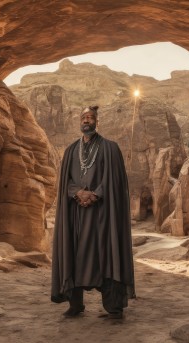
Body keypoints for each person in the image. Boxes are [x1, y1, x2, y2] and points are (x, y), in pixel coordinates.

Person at [51, 105, 135, 320]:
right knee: (74, 254)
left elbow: (114, 180)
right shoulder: (71, 151)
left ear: (97, 122)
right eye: (84, 117)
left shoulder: (110, 148)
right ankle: (75, 304)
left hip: (102, 216)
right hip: (76, 215)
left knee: (105, 255)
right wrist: (78, 192)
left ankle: (114, 308)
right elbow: (65, 182)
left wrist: (95, 195)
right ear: (80, 122)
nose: (87, 120)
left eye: (91, 117)